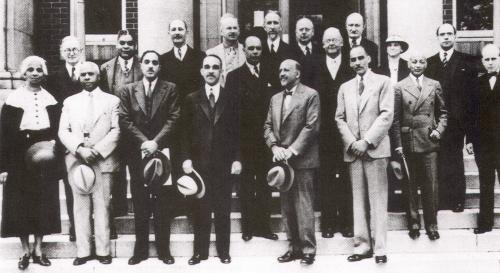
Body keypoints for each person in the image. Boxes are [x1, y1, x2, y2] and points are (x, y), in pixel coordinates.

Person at [118, 50, 180, 265]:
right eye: (147, 62)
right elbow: (125, 120)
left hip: (163, 151)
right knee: (140, 201)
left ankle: (164, 250)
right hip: (138, 152)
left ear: (160, 66)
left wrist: (156, 143)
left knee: (163, 201)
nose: (151, 66)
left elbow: (174, 117)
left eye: (155, 62)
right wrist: (145, 142)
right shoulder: (127, 90)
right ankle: (140, 250)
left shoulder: (170, 88)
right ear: (141, 65)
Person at [0, 56, 61, 270]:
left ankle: (38, 249)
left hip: (44, 152)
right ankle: (25, 251)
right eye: (30, 70)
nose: (35, 73)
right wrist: (3, 167)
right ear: (24, 73)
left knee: (44, 201)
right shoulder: (13, 99)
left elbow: (57, 129)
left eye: (39, 70)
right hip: (18, 155)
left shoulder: (51, 99)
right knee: (20, 203)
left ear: (43, 73)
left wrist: (53, 145)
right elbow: (4, 135)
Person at [180, 55, 241, 265]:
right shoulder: (191, 99)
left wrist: (237, 159)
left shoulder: (232, 97)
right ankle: (200, 252)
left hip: (224, 164)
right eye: (207, 67)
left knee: (223, 209)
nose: (211, 71)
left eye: (215, 67)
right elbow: (184, 133)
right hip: (199, 165)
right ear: (201, 71)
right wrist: (186, 159)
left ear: (221, 71)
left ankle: (224, 251)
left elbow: (239, 132)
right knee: (200, 210)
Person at [336, 46, 393, 264]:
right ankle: (361, 246)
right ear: (349, 63)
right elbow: (339, 118)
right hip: (353, 152)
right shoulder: (345, 87)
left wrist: (366, 142)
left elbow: (387, 114)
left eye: (361, 58)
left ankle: (380, 248)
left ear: (369, 59)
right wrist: (352, 143)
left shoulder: (383, 82)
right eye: (353, 59)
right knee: (357, 201)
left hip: (375, 150)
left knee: (378, 200)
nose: (357, 62)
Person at [59, 61, 120, 266]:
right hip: (77, 160)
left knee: (102, 205)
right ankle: (83, 251)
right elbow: (63, 131)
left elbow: (116, 130)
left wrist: (98, 150)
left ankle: (103, 251)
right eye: (83, 74)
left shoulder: (112, 101)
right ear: (78, 77)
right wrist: (79, 148)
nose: (86, 77)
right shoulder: (70, 102)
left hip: (102, 159)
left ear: (98, 76)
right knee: (80, 206)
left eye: (90, 74)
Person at [264, 59, 320, 265]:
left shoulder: (311, 94)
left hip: (302, 160)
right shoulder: (275, 98)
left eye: (286, 69)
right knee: (286, 207)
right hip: (281, 162)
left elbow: (311, 127)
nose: (281, 73)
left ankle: (308, 249)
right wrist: (274, 147)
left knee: (304, 205)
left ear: (298, 74)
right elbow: (267, 126)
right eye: (279, 69)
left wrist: (291, 150)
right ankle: (293, 247)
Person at [225, 36, 277, 242]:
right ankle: (248, 227)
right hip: (244, 141)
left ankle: (263, 226)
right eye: (251, 48)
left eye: (258, 48)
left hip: (266, 140)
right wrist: (235, 149)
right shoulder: (233, 77)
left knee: (265, 184)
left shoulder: (272, 73)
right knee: (246, 184)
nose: (255, 51)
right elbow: (230, 114)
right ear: (243, 50)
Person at [391, 51, 447, 240]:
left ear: (426, 64)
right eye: (414, 61)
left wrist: (438, 130)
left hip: (429, 141)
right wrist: (398, 145)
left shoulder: (434, 84)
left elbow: (443, 113)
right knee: (410, 185)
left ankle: (432, 225)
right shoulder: (399, 87)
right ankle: (414, 224)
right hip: (409, 142)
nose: (417, 64)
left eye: (421, 61)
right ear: (408, 64)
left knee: (431, 185)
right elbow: (396, 120)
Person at [426, 23, 479, 212]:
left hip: (457, 122)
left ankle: (457, 200)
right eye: (442, 34)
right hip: (436, 121)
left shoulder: (466, 62)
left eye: (450, 34)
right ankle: (441, 200)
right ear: (438, 37)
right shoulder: (430, 63)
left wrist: (470, 133)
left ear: (455, 37)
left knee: (455, 160)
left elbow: (473, 98)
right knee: (438, 160)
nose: (446, 37)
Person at [100, 30, 143, 233]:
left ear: (135, 45)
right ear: (117, 44)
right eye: (122, 43)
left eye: (130, 43)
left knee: (137, 171)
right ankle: (118, 209)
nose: (126, 46)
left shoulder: (143, 65)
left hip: (136, 128)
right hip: (115, 127)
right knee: (115, 171)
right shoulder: (106, 68)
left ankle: (140, 208)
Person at [317, 27, 353, 239]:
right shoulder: (314, 64)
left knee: (347, 177)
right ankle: (328, 223)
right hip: (323, 133)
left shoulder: (350, 63)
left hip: (347, 130)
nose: (331, 43)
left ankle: (347, 222)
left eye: (335, 40)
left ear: (342, 43)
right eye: (327, 40)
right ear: (322, 44)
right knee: (326, 177)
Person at [46, 36, 82, 242]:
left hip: (89, 137)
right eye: (67, 50)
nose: (71, 53)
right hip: (66, 138)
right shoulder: (53, 78)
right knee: (71, 184)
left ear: (81, 51)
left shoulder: (90, 73)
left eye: (75, 49)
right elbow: (52, 112)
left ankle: (105, 224)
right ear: (62, 52)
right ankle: (75, 227)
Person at [375, 35, 410, 212]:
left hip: (404, 117)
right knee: (386, 159)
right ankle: (388, 200)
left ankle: (405, 200)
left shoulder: (408, 67)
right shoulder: (379, 69)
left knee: (403, 158)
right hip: (384, 117)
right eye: (390, 45)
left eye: (397, 45)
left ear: (402, 48)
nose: (393, 47)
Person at [471, 44, 500, 234]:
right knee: (486, 183)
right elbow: (471, 115)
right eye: (486, 59)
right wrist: (470, 141)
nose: (490, 62)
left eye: (493, 58)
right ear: (482, 61)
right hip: (484, 144)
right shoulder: (477, 83)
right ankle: (485, 222)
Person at [160, 19, 206, 101]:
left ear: (187, 32)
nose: (177, 33)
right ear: (169, 33)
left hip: (194, 108)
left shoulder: (200, 57)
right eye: (173, 29)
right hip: (171, 108)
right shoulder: (163, 59)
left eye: (180, 29)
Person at [206, 14, 245, 86]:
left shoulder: (246, 51)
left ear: (239, 31)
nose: (232, 31)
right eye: (229, 28)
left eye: (235, 28)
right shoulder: (211, 53)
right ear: (221, 31)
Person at [261, 11, 292, 91]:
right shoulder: (259, 48)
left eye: (275, 23)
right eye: (269, 23)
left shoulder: (290, 50)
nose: (272, 27)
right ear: (264, 27)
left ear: (281, 27)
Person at [289, 17, 321, 90]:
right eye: (301, 29)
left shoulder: (320, 50)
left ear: (313, 32)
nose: (304, 32)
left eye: (307, 29)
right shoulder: (289, 51)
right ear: (296, 32)